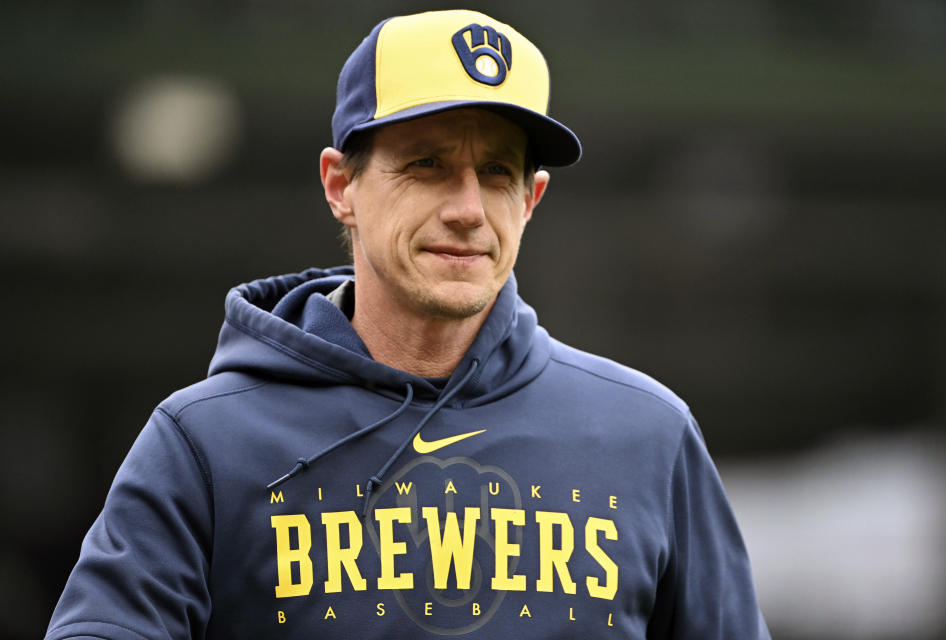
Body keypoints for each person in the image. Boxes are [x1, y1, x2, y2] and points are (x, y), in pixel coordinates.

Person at [46, 9, 770, 639]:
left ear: (532, 198)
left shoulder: (649, 437)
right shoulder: (205, 445)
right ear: (341, 186)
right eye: (426, 164)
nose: (467, 208)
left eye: (496, 173)